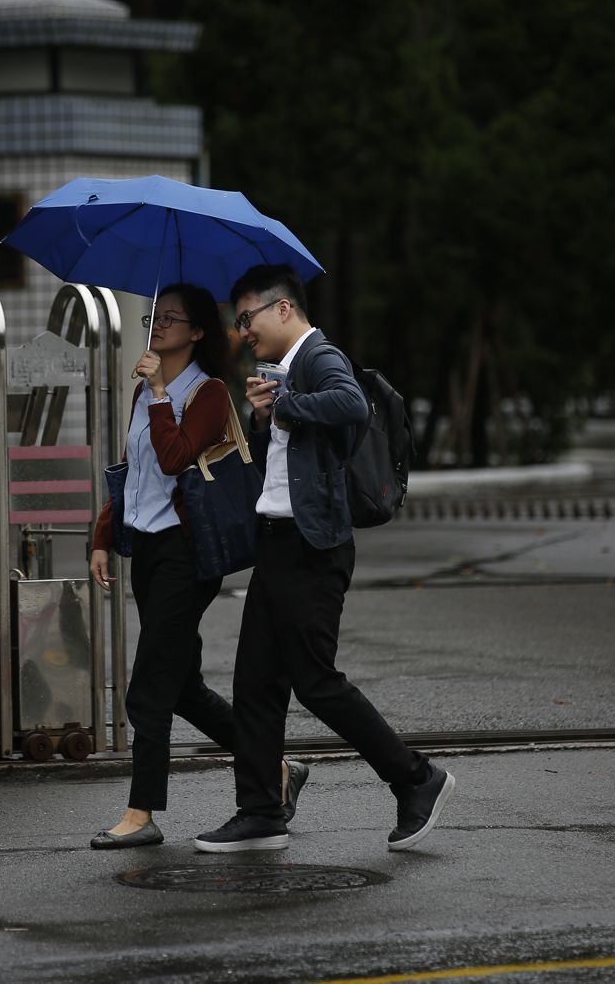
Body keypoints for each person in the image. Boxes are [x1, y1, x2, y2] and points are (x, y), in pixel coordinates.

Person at [193, 265, 454, 853]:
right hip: (281, 541)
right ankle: (260, 810)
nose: (242, 332)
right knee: (256, 682)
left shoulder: (317, 356)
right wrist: (266, 417)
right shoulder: (286, 371)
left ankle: (417, 779)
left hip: (313, 548)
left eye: (247, 318)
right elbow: (285, 461)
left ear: (283, 309)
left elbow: (350, 404)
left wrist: (284, 402)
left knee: (315, 681)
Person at [87, 283, 309, 849]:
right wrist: (102, 536)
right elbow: (136, 472)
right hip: (149, 551)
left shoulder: (207, 393)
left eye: (172, 318)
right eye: (154, 316)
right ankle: (276, 768)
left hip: (189, 556)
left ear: (198, 331)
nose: (157, 325)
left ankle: (141, 815)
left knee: (149, 688)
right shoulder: (146, 392)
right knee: (182, 688)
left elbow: (175, 457)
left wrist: (159, 391)